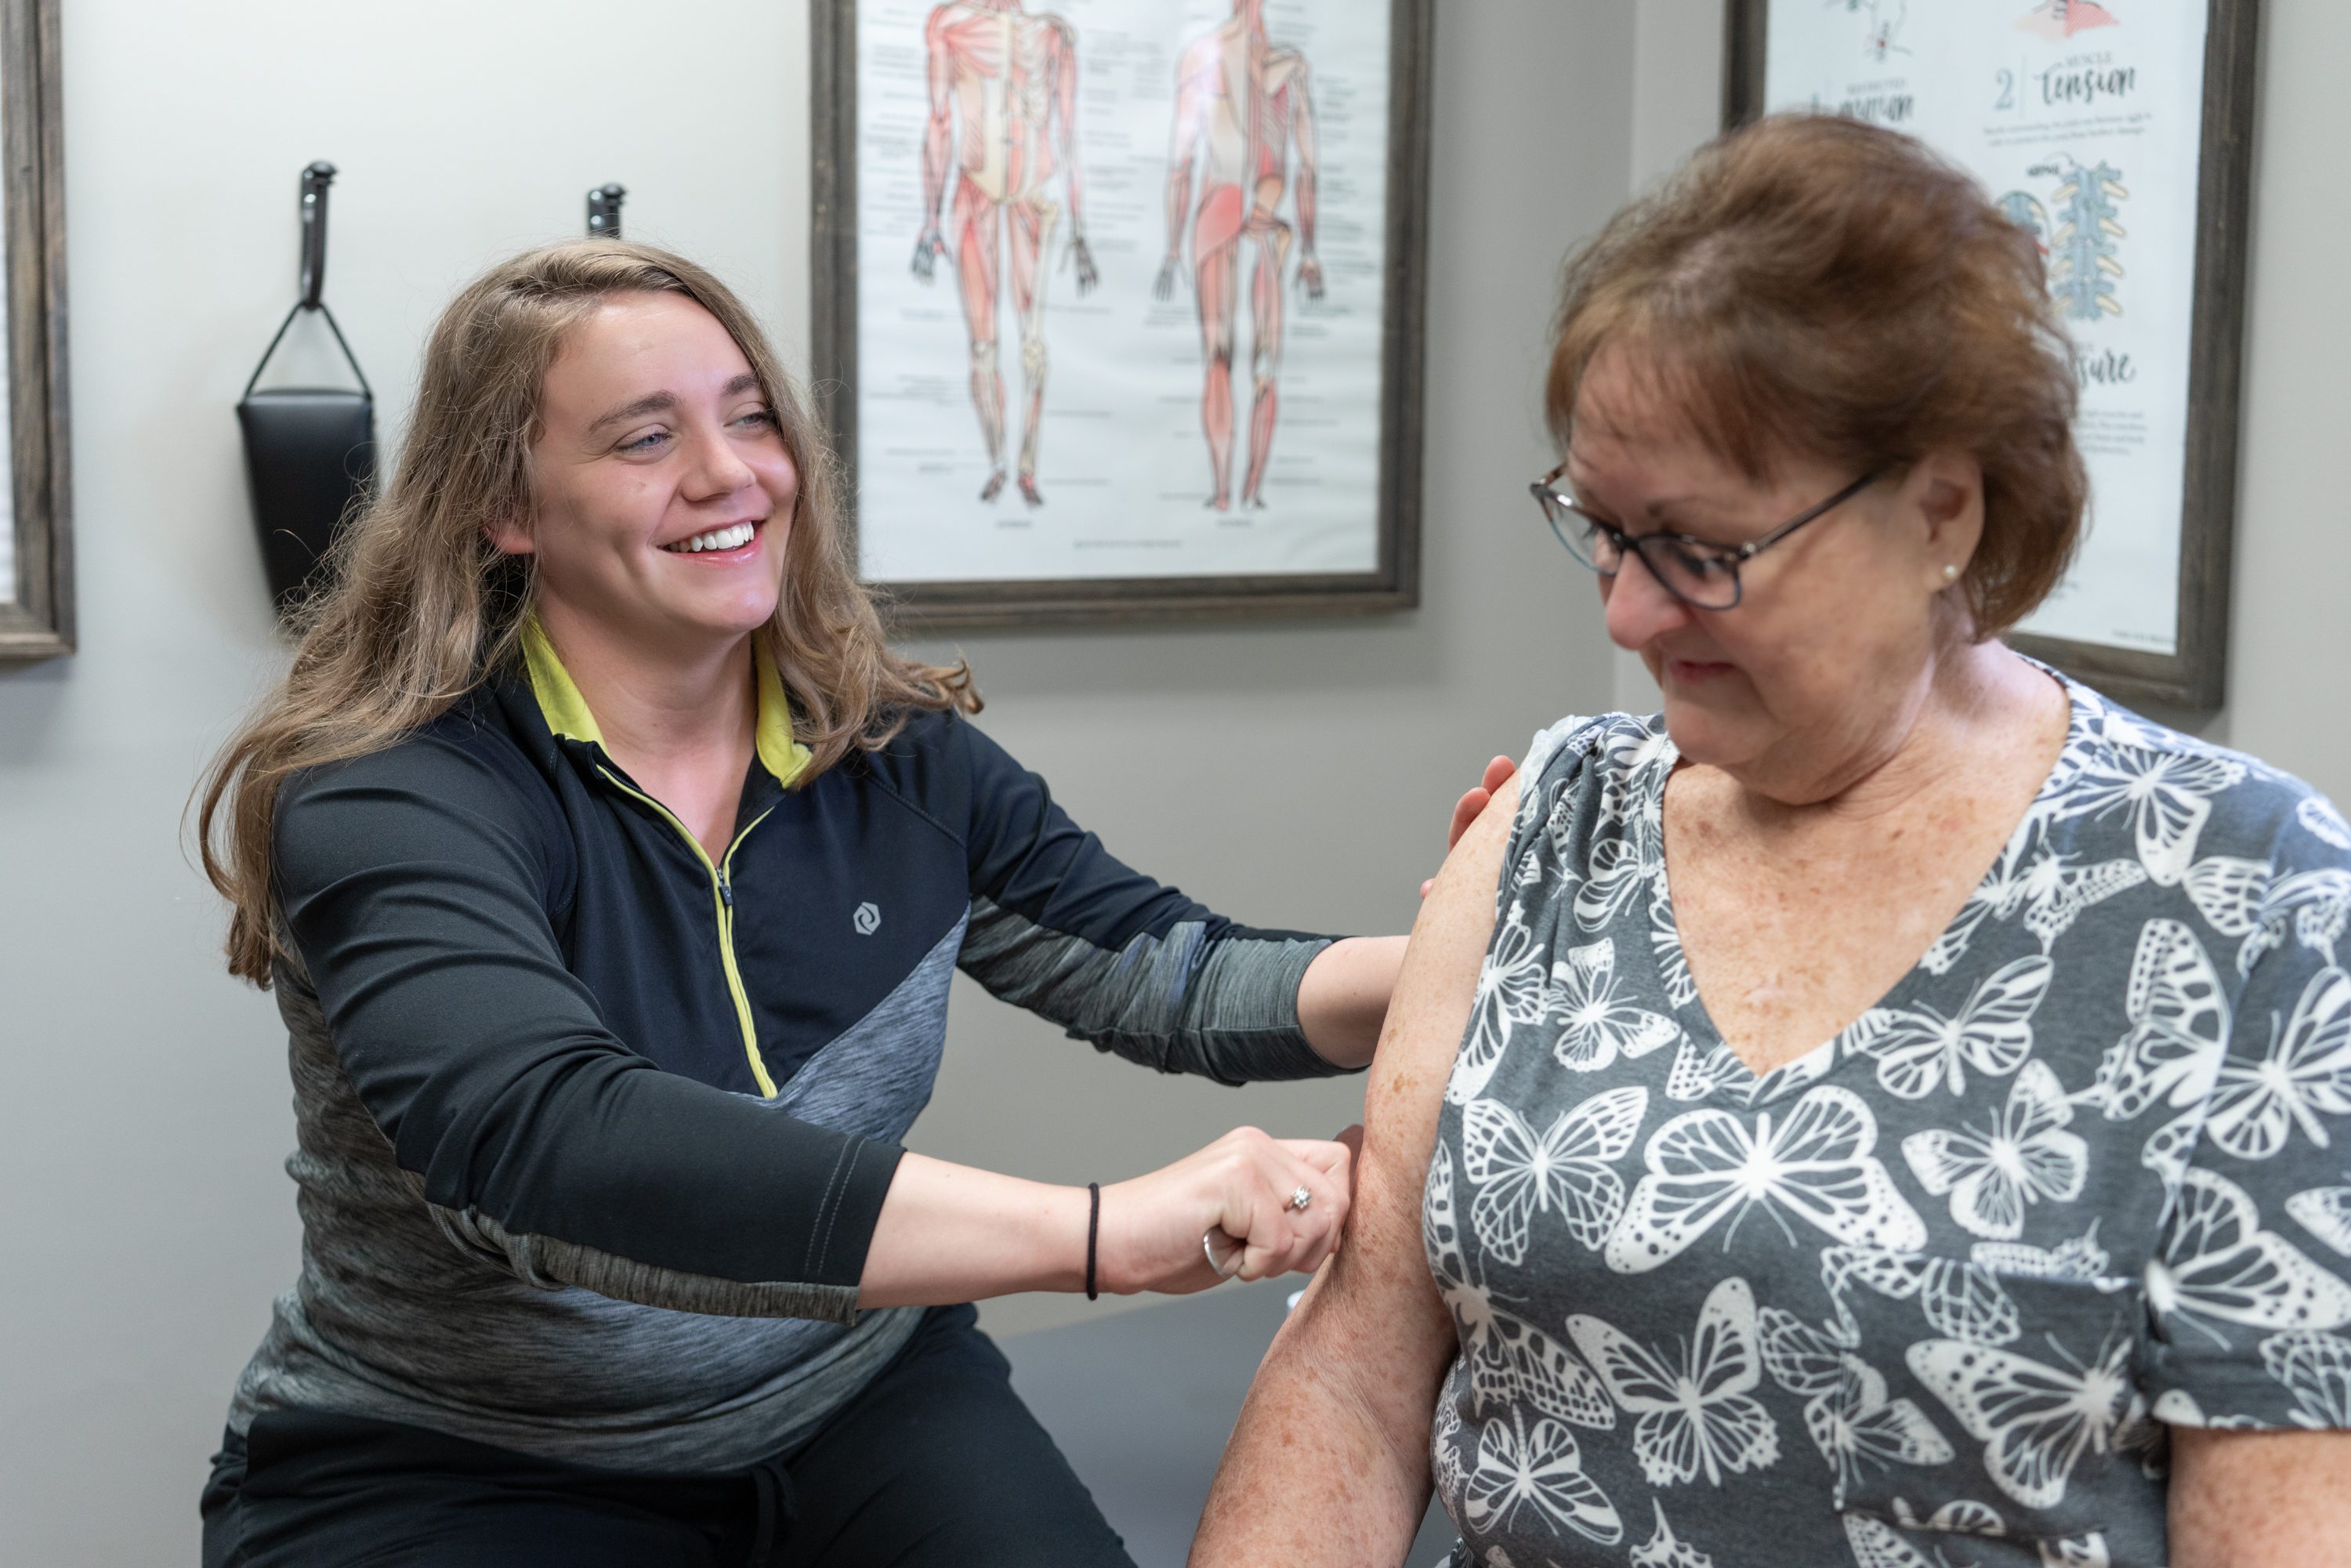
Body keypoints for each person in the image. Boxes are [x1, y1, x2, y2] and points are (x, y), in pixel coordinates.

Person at [1194, 115, 2351, 1567]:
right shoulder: (1560, 817)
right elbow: (1357, 1383)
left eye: (1702, 551)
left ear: (1941, 509)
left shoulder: (2249, 896)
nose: (1623, 613)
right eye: (1602, 528)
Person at [192, 239, 1448, 1567]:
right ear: (506, 503)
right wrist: (1102, 1236)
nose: (730, 473)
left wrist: (1461, 966)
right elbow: (550, 1144)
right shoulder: (396, 795)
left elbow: (1165, 974)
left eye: (752, 418)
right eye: (642, 439)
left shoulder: (887, 753)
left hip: (853, 1400)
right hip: (463, 1459)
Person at [913, 0, 1096, 507]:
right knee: (984, 346)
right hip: (974, 198)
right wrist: (930, 221)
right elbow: (940, 121)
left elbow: (1067, 134)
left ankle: (1028, 468)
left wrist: (1080, 229)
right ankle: (997, 463)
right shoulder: (950, 25)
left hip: (1032, 203)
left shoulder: (1054, 35)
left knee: (1033, 344)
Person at [1153, 0, 1322, 512]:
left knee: (1239, 362)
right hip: (1239, 216)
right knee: (1233, 361)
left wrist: (1173, 247)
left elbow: (1182, 165)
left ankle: (1238, 492)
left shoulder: (1273, 66)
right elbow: (1183, 162)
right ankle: (1236, 491)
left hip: (1239, 218)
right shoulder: (1266, 66)